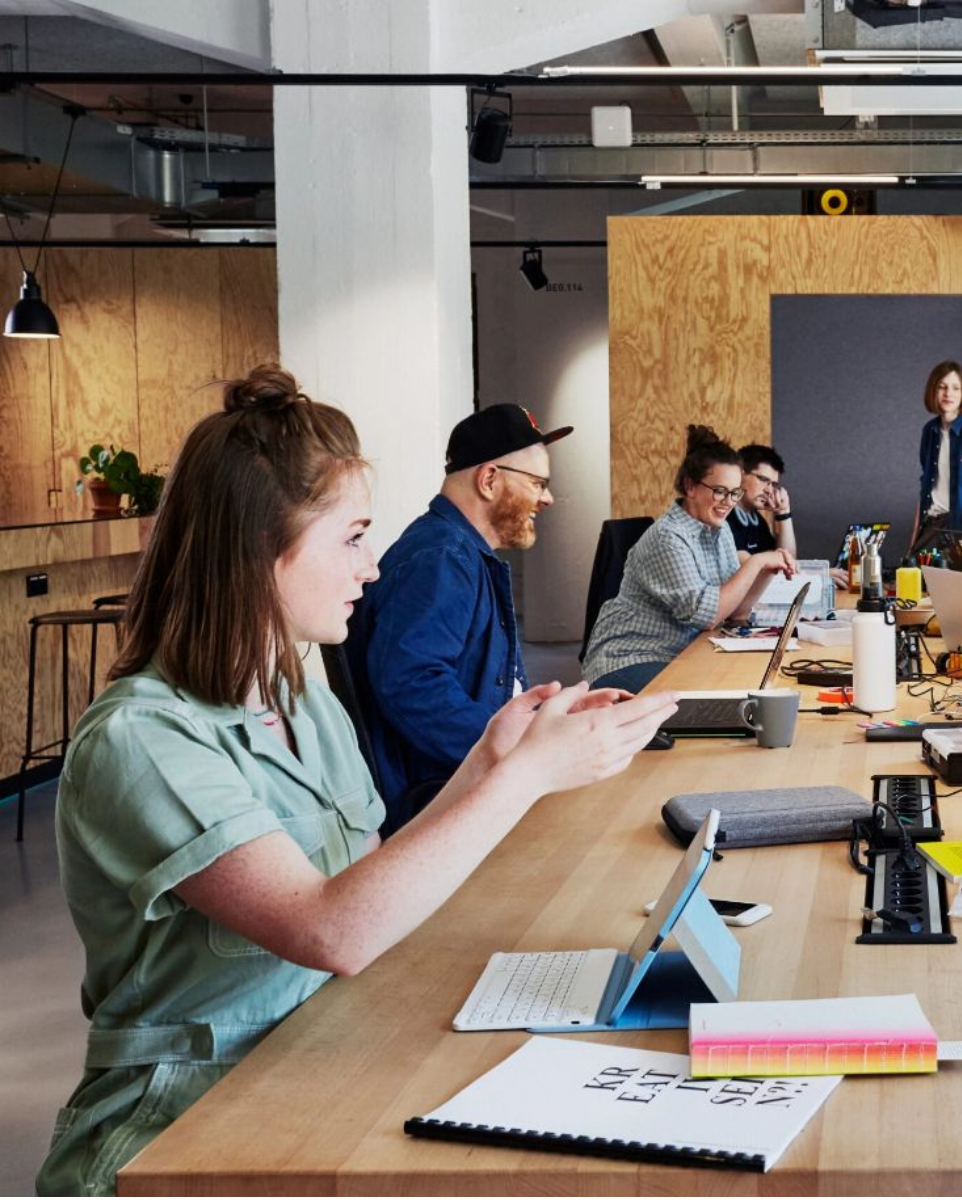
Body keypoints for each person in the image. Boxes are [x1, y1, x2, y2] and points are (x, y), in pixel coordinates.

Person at [38, 366, 678, 1196]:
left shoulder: (301, 694)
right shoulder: (144, 739)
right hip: (182, 1128)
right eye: (351, 538)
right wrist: (518, 781)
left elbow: (368, 871)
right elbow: (327, 931)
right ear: (256, 546)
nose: (372, 568)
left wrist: (492, 755)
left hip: (315, 1062)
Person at [346, 403, 569, 832]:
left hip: (463, 783)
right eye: (537, 483)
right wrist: (514, 753)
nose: (547, 498)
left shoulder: (460, 553)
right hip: (440, 798)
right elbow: (412, 685)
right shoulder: (441, 558)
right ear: (489, 479)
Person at [582, 425, 795, 692]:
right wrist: (756, 562)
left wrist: (768, 570)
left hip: (680, 654)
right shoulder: (668, 537)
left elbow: (736, 611)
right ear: (690, 486)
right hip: (631, 658)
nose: (728, 502)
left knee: (750, 689)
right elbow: (708, 616)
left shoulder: (720, 528)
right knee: (718, 702)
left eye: (734, 492)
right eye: (719, 491)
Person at [908, 360, 962, 563]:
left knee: (951, 591)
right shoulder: (929, 431)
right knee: (910, 580)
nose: (949, 394)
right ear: (933, 391)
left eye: (956, 388)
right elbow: (926, 488)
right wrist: (913, 543)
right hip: (932, 524)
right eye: (942, 387)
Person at [727, 443, 796, 562]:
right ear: (740, 473)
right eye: (763, 480)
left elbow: (787, 560)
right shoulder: (723, 516)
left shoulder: (758, 522)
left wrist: (783, 512)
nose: (769, 490)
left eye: (773, 484)